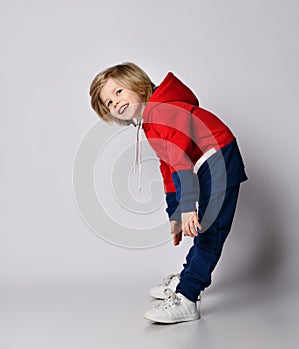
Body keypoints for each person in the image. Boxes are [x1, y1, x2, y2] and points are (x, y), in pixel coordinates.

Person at [89, 62, 248, 324]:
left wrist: (188, 209)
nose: (114, 103)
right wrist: (175, 213)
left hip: (220, 159)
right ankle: (188, 277)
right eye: (108, 102)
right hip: (207, 160)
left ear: (137, 83)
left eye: (118, 92)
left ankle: (187, 296)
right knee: (204, 229)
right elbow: (168, 166)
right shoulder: (150, 121)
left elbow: (182, 161)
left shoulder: (163, 113)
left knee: (210, 231)